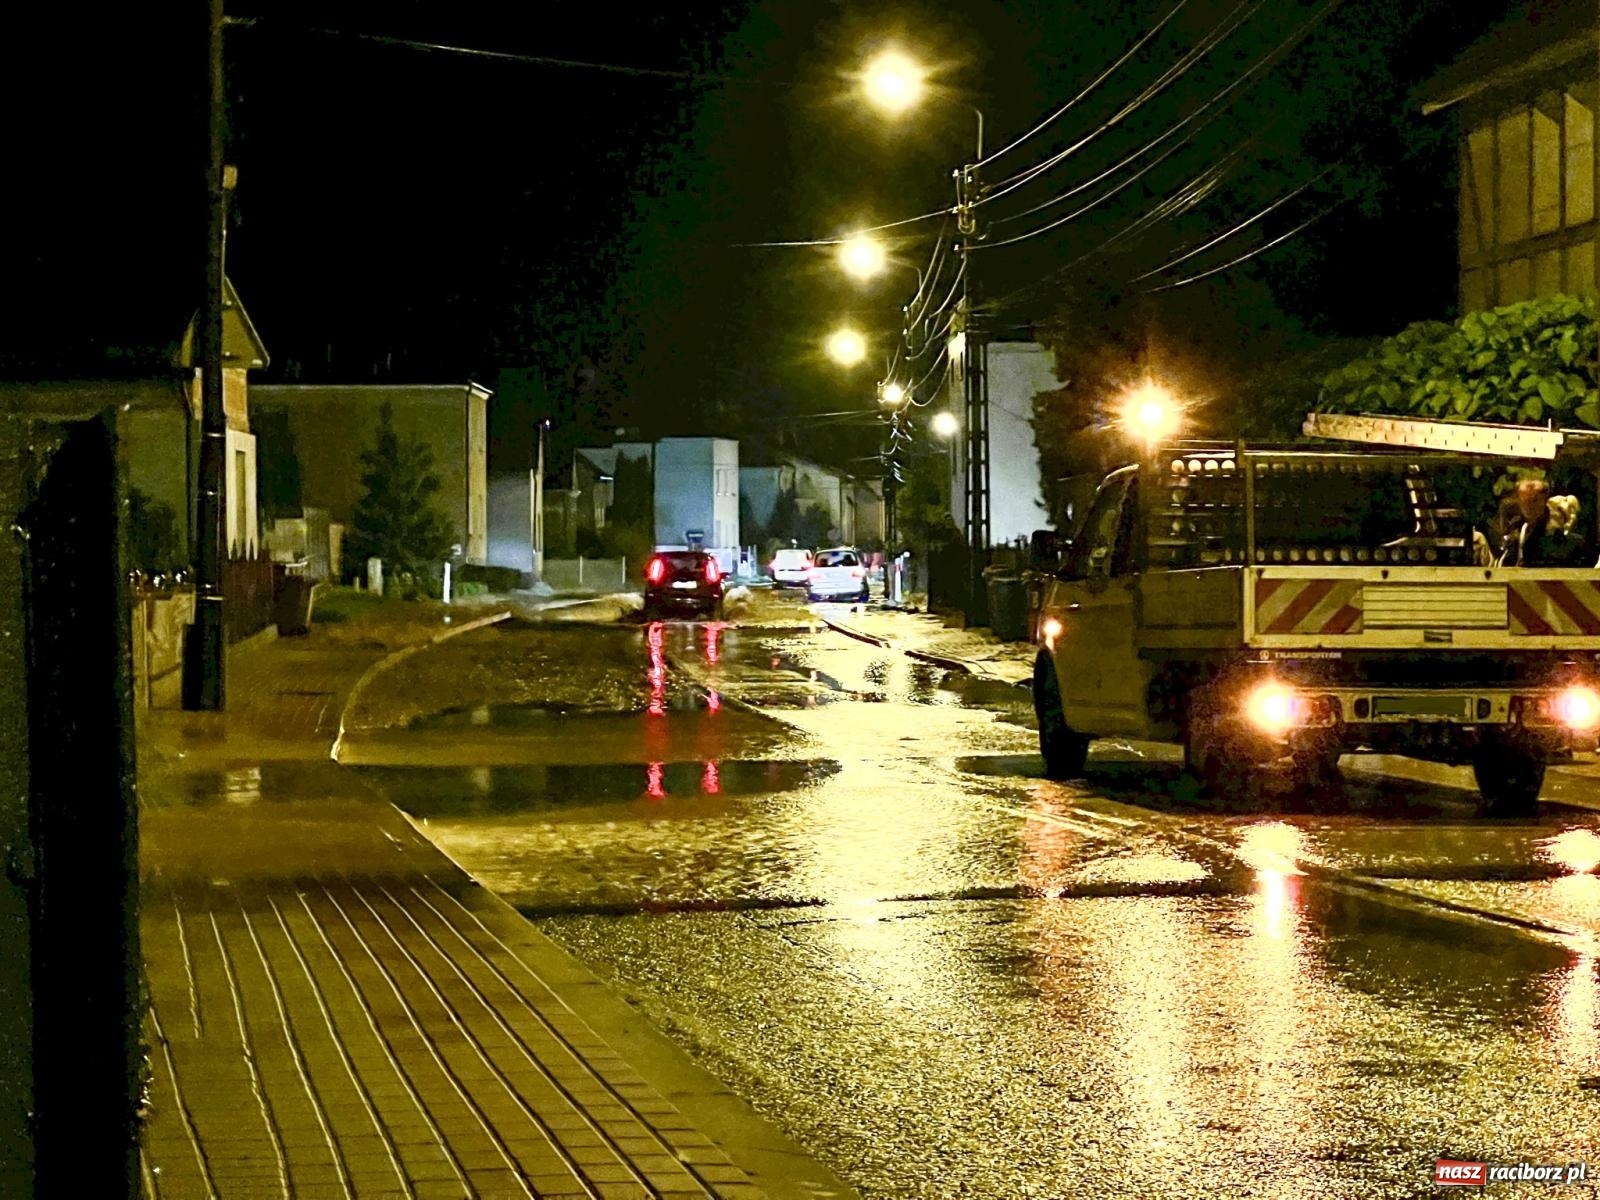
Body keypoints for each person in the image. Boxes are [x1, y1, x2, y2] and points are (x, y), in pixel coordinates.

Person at [1499, 479, 1588, 566]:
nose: (1530, 487)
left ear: (1544, 497)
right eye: (1525, 499)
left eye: (1535, 499)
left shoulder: (1564, 540)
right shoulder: (1516, 529)